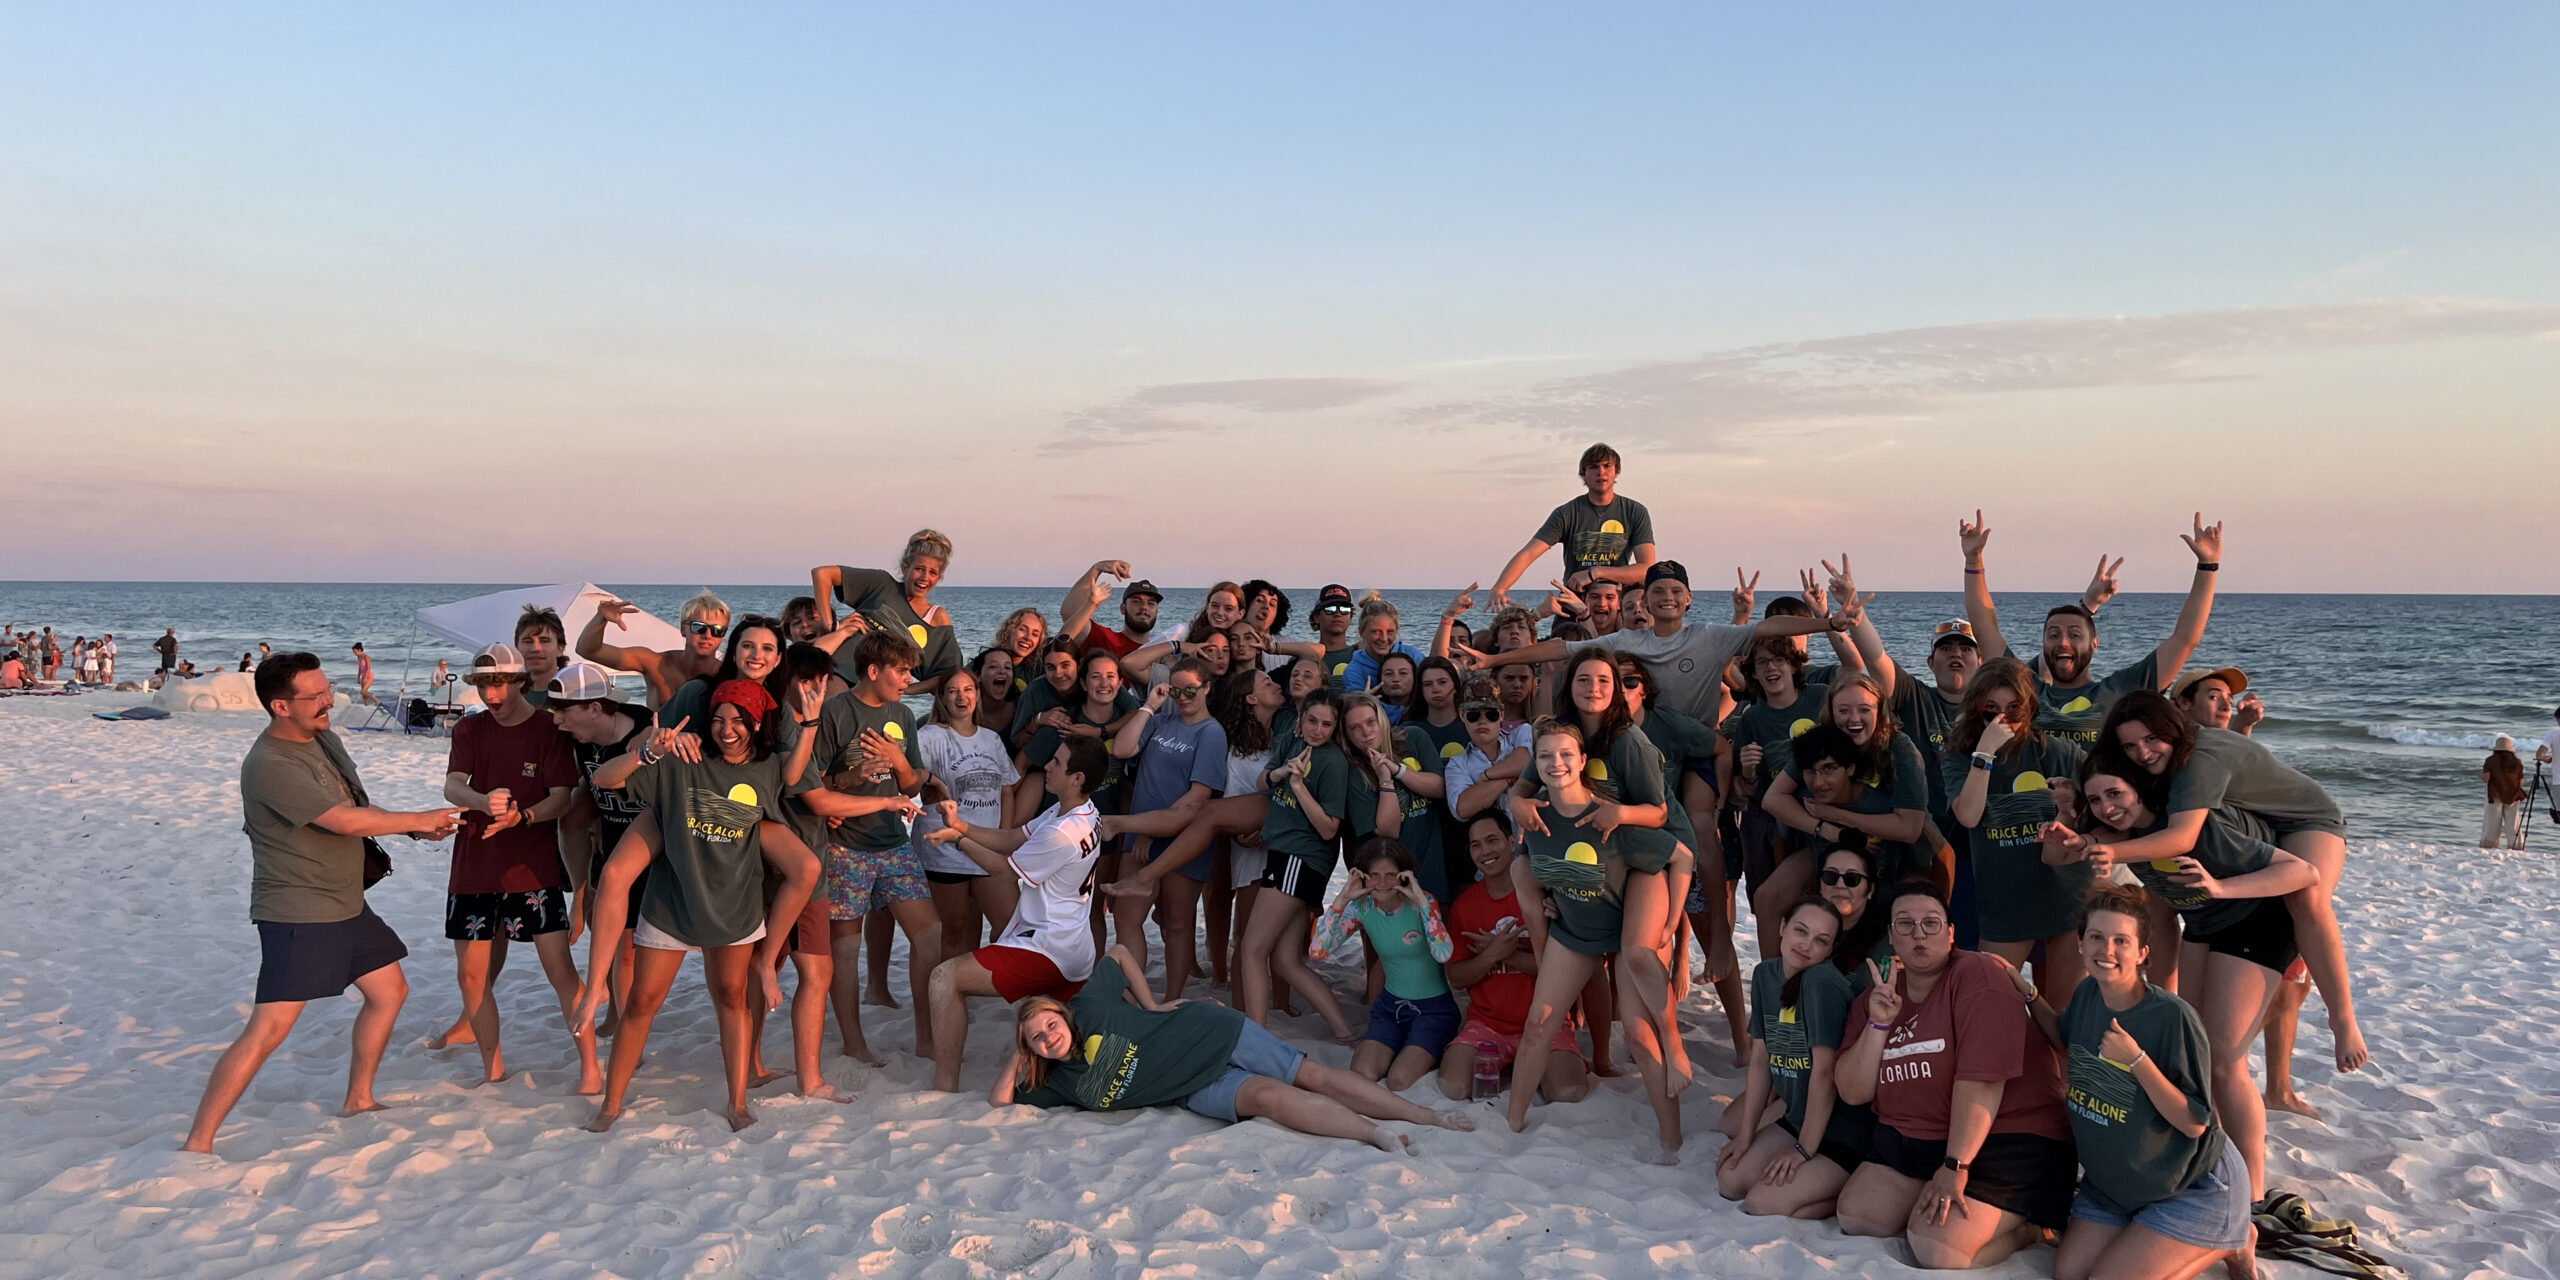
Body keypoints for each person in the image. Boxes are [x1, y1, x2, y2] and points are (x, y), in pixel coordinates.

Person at [183, 653, 466, 1155]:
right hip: (300, 909)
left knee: (390, 991)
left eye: (327, 689)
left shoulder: (324, 740)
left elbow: (361, 809)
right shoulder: (269, 765)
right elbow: (340, 821)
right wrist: (420, 817)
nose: (329, 700)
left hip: (345, 901)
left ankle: (359, 1098)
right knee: (269, 1029)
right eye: (315, 696)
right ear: (280, 706)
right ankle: (199, 1142)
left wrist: (422, 830)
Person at [2055, 752, 2316, 1203]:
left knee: (2225, 1062)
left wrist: (2220, 887)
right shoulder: (2127, 836)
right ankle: (2207, 1159)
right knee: (2196, 1056)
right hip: (2204, 927)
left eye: (2115, 793)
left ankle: (2251, 1192)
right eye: (2096, 799)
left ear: (2141, 789)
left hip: (2256, 922)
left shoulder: (2197, 831)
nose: (2106, 806)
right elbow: (2151, 905)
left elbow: (2303, 871)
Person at [572, 679, 824, 1132]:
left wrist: (808, 723)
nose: (728, 730)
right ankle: (610, 1105)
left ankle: (738, 1103)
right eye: (719, 720)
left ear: (756, 725)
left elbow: (796, 778)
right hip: (672, 903)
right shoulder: (684, 759)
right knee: (642, 1004)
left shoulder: (767, 770)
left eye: (739, 722)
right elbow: (603, 779)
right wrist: (647, 751)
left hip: (734, 906)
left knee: (731, 1000)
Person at [2090, 691, 2369, 1081]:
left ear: (2171, 727)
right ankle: (2169, 1006)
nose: (2144, 753)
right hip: (2257, 827)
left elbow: (2183, 837)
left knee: (2306, 896)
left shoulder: (2199, 759)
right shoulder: (2155, 763)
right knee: (2161, 899)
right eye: (2131, 746)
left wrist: (2110, 852)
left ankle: (2342, 1019)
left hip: (2306, 820)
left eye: (2152, 739)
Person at [994, 948, 1477, 1151]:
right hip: (1193, 1087)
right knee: (1269, 1098)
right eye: (1036, 1038)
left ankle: (1423, 1116)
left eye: (1048, 1025)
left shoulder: (1089, 1007)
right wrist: (1017, 1057)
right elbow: (1000, 1102)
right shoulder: (1056, 1082)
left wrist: (1154, 1005)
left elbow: (1119, 953)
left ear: (1062, 1014)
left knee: (1311, 1076)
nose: (1047, 1037)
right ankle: (1373, 1134)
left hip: (1209, 1031)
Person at [1834, 884, 2077, 1270]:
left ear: (1950, 934)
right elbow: (1852, 1092)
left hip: (2009, 1136)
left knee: (1936, 1248)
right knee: (1860, 1217)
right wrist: (1878, 1027)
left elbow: (1982, 1082)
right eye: (1906, 924)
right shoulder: (1876, 996)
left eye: (1931, 923)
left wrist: (1955, 1166)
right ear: (1891, 937)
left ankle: (2032, 1226)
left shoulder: (1978, 975)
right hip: (1921, 1135)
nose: (1919, 933)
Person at [2017, 884, 2253, 1280]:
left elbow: (2195, 1121)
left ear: (2143, 952)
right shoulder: (2089, 992)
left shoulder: (2171, 1018)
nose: (2106, 950)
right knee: (2069, 1271)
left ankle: (2236, 1237)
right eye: (2095, 937)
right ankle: (2158, 1234)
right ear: (2080, 944)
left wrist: (2137, 1061)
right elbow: (2062, 1038)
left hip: (2188, 1183)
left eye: (2120, 941)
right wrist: (2026, 992)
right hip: (2114, 1187)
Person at [1504, 719, 1685, 1155]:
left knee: (1641, 1039)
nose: (1556, 763)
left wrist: (1670, 925)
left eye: (1566, 754)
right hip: (1575, 931)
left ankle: (1671, 1139)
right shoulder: (1531, 816)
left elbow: (1681, 856)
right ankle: (1509, 1127)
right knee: (1538, 1024)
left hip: (1626, 928)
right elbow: (1531, 876)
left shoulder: (1609, 816)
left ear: (1583, 761)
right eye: (1545, 756)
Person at [427, 644, 587, 1090]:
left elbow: (562, 797)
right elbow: (452, 785)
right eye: (482, 685)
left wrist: (524, 816)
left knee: (560, 971)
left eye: (498, 683)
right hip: (474, 864)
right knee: (471, 975)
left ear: (519, 680)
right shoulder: (470, 729)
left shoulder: (547, 727)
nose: (490, 695)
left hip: (531, 869)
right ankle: (492, 1071)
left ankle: (591, 1067)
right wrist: (481, 801)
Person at [921, 737, 1111, 1092]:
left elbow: (1006, 869)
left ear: (1077, 778)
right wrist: (961, 826)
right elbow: (1014, 838)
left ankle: (944, 1086)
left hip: (1049, 947)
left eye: (1057, 762)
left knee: (944, 979)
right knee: (1067, 1053)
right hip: (1073, 945)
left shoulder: (1063, 831)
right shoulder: (1079, 811)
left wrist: (956, 841)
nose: (1048, 767)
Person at [1960, 510, 2224, 746]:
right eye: (2053, 635)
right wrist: (1974, 561)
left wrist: (2208, 566)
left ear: (2094, 644)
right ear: (2043, 645)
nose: (2063, 642)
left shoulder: (2118, 692)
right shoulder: (2026, 690)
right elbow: (1985, 630)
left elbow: (2185, 640)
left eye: (2075, 635)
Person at [812, 631, 945, 1062]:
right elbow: (810, 787)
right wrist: (853, 778)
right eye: (902, 671)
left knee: (930, 936)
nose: (909, 679)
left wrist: (900, 760)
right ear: (873, 671)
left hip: (894, 843)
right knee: (845, 951)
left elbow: (912, 784)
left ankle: (925, 1035)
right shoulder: (834, 714)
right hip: (844, 846)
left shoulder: (904, 715)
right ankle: (854, 1042)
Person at [1946, 656, 2090, 1002]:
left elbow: (2109, 800)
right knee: (1987, 1008)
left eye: (2014, 709)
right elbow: (1968, 815)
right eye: (1990, 710)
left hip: (2066, 897)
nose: (2002, 719)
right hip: (2005, 903)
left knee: (2062, 1018)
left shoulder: (2057, 752)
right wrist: (1984, 753)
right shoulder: (1959, 756)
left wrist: (2074, 804)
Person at [1716, 897, 1870, 1219]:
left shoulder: (1820, 983)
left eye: (1821, 941)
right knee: (1730, 1181)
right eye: (1801, 931)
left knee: (1761, 1203)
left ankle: (1843, 1187)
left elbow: (1824, 1075)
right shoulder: (1765, 975)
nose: (1807, 945)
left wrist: (1803, 1151)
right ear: (1783, 927)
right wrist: (1746, 1135)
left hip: (1840, 1128)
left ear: (1830, 950)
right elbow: (1760, 1060)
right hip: (1799, 1117)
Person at [1437, 811, 1592, 1106]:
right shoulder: (1464, 906)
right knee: (1452, 1087)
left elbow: (1565, 971)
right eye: (1476, 845)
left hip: (1546, 1021)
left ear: (1512, 842)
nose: (1485, 852)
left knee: (1567, 1093)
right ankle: (1510, 1066)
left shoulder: (1545, 897)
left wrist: (1507, 954)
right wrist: (1491, 955)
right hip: (1488, 1023)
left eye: (1492, 840)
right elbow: (1457, 978)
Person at [1236, 689, 1361, 1041]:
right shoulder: (1290, 741)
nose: (1317, 730)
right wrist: (1281, 773)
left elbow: (1329, 828)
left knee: (1252, 948)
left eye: (1326, 724)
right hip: (1285, 856)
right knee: (1286, 960)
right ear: (1301, 717)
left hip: (1301, 859)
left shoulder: (1333, 761)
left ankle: (1255, 1035)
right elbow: (1262, 782)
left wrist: (1298, 785)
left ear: (1335, 728)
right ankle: (1344, 1030)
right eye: (1312, 721)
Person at [1103, 656, 1229, 999]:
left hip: (1181, 840)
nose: (1184, 696)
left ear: (1207, 687)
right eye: (1177, 689)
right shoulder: (1163, 721)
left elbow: (1198, 796)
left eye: (1191, 689)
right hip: (1139, 837)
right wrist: (1150, 705)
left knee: (1177, 923)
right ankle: (1132, 995)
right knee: (1127, 918)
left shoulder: (1212, 733)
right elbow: (1125, 748)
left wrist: (1151, 831)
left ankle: (1172, 999)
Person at [545, 663, 651, 1037]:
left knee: (630, 948)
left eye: (564, 711)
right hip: (608, 840)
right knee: (616, 939)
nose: (557, 720)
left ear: (594, 707)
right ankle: (617, 1017)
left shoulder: (643, 728)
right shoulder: (579, 738)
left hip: (650, 848)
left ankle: (624, 1022)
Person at [1308, 839, 1458, 1089]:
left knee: (1399, 1080)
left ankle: (1422, 1048)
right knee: (1363, 1072)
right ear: (1363, 877)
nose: (1382, 883)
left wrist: (1421, 900)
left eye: (1390, 875)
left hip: (1433, 1010)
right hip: (1390, 1008)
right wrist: (1343, 898)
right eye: (1374, 875)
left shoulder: (1423, 903)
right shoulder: (1361, 907)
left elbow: (1443, 953)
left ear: (1404, 875)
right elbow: (1318, 951)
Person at [912, 666, 1025, 966]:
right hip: (944, 848)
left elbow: (1007, 790)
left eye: (968, 689)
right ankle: (948, 993)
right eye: (953, 691)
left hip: (986, 846)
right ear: (942, 699)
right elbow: (908, 778)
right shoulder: (930, 736)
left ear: (977, 694)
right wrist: (930, 783)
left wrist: (1004, 838)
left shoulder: (991, 739)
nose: (962, 697)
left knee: (1012, 924)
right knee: (953, 929)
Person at [1487, 442, 1658, 607]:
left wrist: (1595, 573)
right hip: (1573, 601)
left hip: (1613, 605)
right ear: (1583, 474)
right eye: (1593, 467)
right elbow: (1529, 554)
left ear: (1617, 472)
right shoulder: (1567, 513)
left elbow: (1647, 569)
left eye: (1607, 466)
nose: (1601, 472)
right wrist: (1499, 588)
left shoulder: (1634, 511)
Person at [811, 529, 962, 695]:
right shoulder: (882, 584)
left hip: (879, 693)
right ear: (905, 568)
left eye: (933, 572)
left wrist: (907, 690)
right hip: (837, 671)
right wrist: (830, 626)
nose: (925, 578)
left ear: (939, 577)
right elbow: (822, 574)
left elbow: (951, 674)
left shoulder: (937, 618)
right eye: (919, 569)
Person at [576, 590, 729, 710]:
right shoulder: (655, 663)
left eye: (717, 630)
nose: (708, 635)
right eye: (699, 627)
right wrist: (601, 618)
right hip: (656, 746)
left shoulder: (728, 673)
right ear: (683, 629)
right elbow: (587, 650)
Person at [1059, 562, 1160, 659]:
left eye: (1151, 603)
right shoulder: (1105, 639)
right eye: (1136, 602)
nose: (1144, 607)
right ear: (1123, 609)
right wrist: (1097, 568)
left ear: (1156, 611)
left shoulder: (1162, 653)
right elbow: (1070, 612)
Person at [513, 605, 567, 707]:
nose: (535, 649)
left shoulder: (575, 694)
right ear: (517, 648)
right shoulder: (509, 696)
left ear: (561, 648)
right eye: (528, 641)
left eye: (544, 641)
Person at [2483, 736, 2528, 849]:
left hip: (2495, 794)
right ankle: (2516, 846)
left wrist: (2481, 775)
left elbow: (2486, 778)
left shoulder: (2490, 760)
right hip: (2513, 795)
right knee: (2513, 823)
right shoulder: (2517, 762)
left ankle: (2491, 845)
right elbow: (2521, 781)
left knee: (2493, 822)